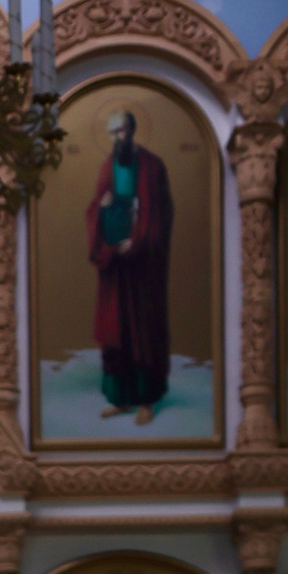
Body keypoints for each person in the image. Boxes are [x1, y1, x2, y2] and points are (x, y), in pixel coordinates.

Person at [87, 105, 173, 421]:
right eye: (111, 132)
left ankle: (146, 400)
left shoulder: (153, 167)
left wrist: (136, 242)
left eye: (120, 130)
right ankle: (120, 398)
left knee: (143, 330)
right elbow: (95, 208)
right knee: (116, 329)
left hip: (142, 265)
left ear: (132, 130)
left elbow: (160, 214)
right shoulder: (107, 166)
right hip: (115, 263)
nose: (116, 137)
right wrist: (103, 209)